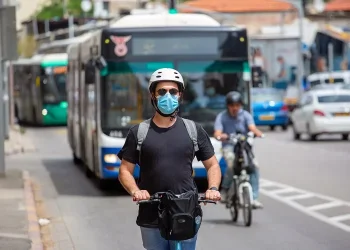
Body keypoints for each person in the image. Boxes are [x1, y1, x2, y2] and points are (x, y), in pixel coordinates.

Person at [117, 68, 222, 250]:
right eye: (162, 91)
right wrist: (136, 191)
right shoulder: (139, 132)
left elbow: (212, 165)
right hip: (150, 213)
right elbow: (125, 170)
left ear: (180, 95)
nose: (168, 96)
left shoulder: (193, 130)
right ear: (153, 95)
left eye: (173, 92)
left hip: (186, 211)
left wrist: (212, 188)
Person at [213, 91, 264, 209]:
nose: (235, 108)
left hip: (244, 146)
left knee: (254, 167)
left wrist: (258, 134)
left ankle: (254, 198)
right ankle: (225, 190)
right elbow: (217, 132)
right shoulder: (222, 117)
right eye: (232, 105)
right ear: (228, 106)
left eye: (237, 105)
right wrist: (221, 136)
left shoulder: (246, 115)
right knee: (231, 166)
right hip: (229, 147)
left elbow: (252, 128)